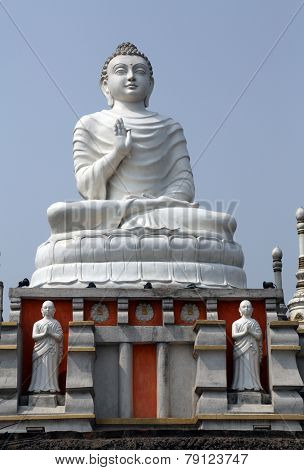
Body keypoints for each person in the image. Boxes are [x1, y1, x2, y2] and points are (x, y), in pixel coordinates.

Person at [73, 42, 195, 203]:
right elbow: (85, 185)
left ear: (150, 85)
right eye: (121, 71)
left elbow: (185, 183)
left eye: (139, 71)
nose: (131, 76)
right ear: (105, 86)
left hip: (160, 207)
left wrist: (159, 202)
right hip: (111, 209)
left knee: (221, 221)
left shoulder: (169, 127)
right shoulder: (89, 124)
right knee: (59, 212)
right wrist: (117, 154)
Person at [28, 300, 63, 393]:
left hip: (52, 350)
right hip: (39, 350)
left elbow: (59, 337)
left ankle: (52, 386)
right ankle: (37, 387)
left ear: (54, 310)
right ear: (41, 310)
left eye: (50, 307)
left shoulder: (56, 323)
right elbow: (34, 336)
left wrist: (50, 333)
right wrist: (44, 334)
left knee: (51, 369)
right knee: (39, 370)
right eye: (45, 307)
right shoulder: (38, 323)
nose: (47, 309)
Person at [231, 300, 262, 391]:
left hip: (252, 348)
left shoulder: (254, 322)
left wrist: (250, 332)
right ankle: (239, 385)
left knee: (253, 366)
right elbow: (234, 336)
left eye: (248, 307)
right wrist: (244, 332)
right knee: (241, 367)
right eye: (244, 307)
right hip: (240, 348)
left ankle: (254, 384)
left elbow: (259, 336)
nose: (246, 308)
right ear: (239, 310)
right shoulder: (236, 323)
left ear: (252, 309)